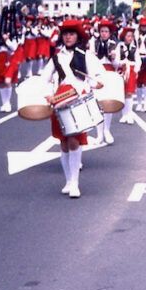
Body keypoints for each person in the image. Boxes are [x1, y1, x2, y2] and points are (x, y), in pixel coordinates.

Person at [39, 19, 105, 198]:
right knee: (63, 143)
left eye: (72, 34)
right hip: (60, 102)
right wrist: (48, 94)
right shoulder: (57, 56)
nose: (68, 37)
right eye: (65, 34)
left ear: (78, 36)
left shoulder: (86, 55)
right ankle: (68, 180)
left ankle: (75, 182)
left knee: (74, 141)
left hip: (79, 101)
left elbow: (98, 76)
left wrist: (97, 83)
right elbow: (44, 78)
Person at [116, 26, 141, 124]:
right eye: (128, 36)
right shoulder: (119, 47)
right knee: (123, 93)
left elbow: (138, 61)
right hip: (121, 70)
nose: (130, 38)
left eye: (131, 36)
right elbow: (116, 60)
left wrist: (136, 70)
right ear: (124, 37)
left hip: (131, 70)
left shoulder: (134, 48)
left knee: (129, 93)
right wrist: (121, 63)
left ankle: (129, 114)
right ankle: (124, 114)